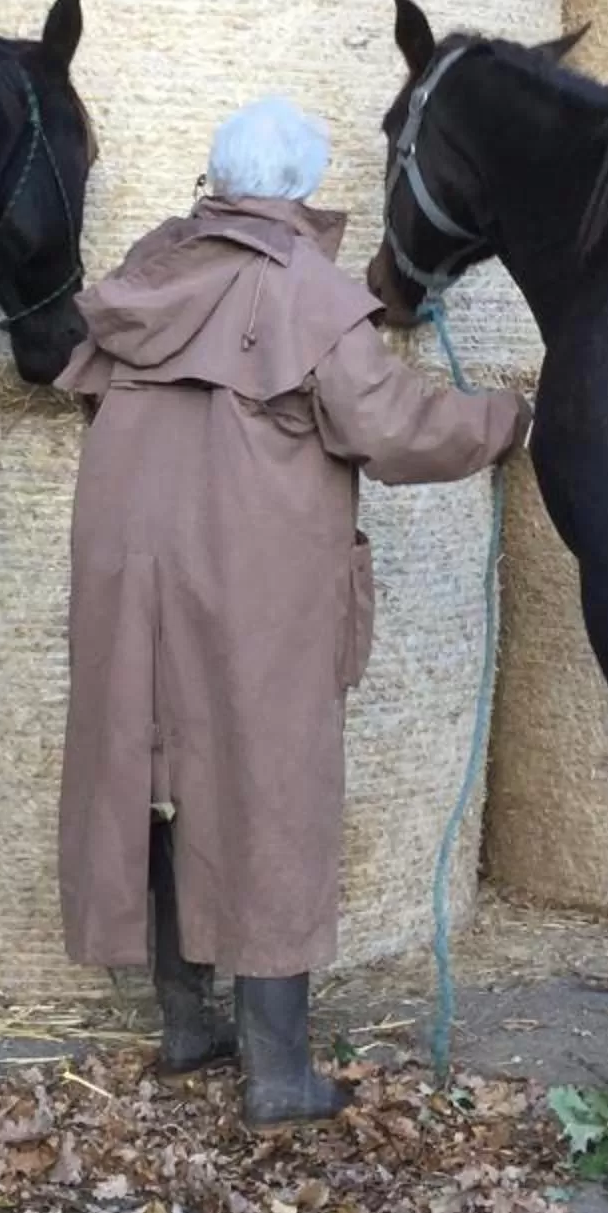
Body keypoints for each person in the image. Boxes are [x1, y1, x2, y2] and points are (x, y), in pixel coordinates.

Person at [55, 96, 530, 1124]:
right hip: (252, 571)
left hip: (129, 562)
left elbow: (94, 391)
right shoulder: (308, 291)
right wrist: (506, 419)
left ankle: (188, 1026)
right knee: (270, 786)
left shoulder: (152, 268)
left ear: (219, 180)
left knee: (153, 773)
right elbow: (392, 429)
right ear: (302, 188)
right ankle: (277, 1074)